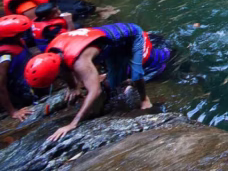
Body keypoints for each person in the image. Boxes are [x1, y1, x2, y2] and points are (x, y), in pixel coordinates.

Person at [24, 22, 166, 141]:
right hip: (112, 44)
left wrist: (74, 123)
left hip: (133, 35)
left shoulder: (80, 61)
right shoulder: (52, 52)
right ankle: (123, 81)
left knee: (136, 73)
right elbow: (63, 67)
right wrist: (73, 87)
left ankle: (143, 99)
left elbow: (95, 91)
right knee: (115, 82)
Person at [0, 14, 37, 122]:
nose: (24, 32)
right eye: (21, 32)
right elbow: (1, 86)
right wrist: (13, 112)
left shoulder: (18, 41)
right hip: (15, 90)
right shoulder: (5, 58)